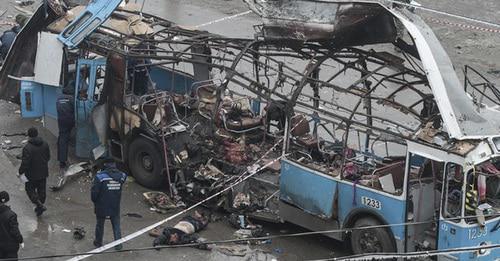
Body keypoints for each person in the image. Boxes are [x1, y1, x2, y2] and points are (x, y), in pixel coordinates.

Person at [91, 162, 127, 250]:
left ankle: (98, 242)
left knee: (100, 225)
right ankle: (118, 245)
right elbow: (123, 179)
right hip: (115, 205)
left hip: (101, 205)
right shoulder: (122, 176)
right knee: (116, 225)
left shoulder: (100, 177)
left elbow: (94, 193)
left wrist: (95, 201)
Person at [19, 127, 50, 217]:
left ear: (29, 136)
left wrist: (21, 172)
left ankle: (39, 205)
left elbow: (25, 163)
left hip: (31, 175)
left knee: (30, 190)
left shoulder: (27, 148)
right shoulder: (45, 144)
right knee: (42, 191)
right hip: (43, 172)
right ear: (37, 134)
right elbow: (48, 157)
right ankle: (40, 206)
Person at [0, 191, 24, 260]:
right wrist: (21, 240)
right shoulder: (11, 215)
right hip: (10, 248)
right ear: (7, 201)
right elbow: (15, 231)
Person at [56, 87, 75, 170]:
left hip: (61, 121)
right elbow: (76, 109)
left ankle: (62, 162)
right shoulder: (71, 98)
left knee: (62, 139)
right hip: (70, 120)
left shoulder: (58, 99)